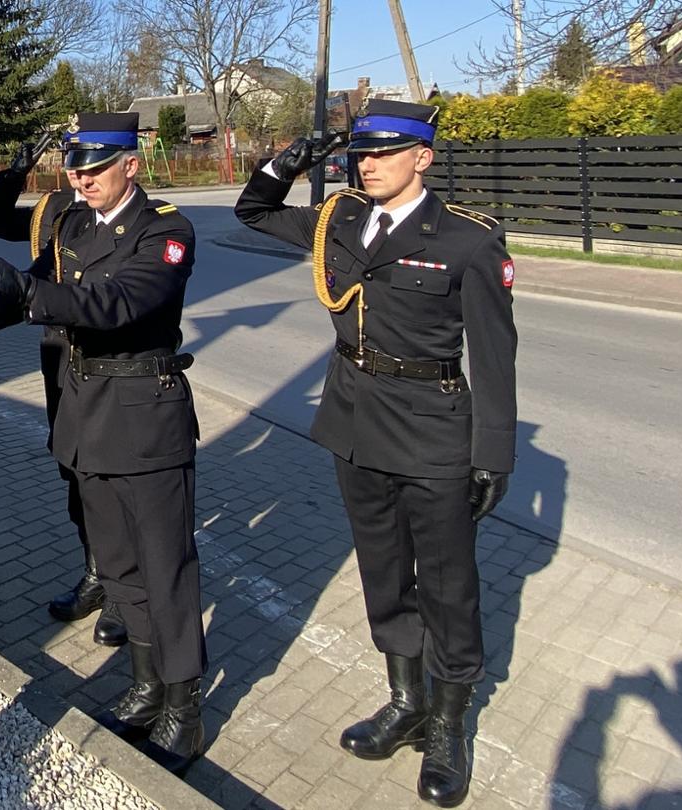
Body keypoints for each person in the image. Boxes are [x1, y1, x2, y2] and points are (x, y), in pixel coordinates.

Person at [235, 98, 517, 808]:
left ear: (423, 156)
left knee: (448, 585)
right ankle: (405, 701)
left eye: (386, 152)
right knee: (384, 572)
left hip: (433, 429)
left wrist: (494, 454)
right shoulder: (341, 220)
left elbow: (494, 355)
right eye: (361, 153)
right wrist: (291, 157)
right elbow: (252, 211)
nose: (369, 163)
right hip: (357, 425)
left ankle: (449, 725)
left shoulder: (468, 239)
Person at [0, 112, 206, 770]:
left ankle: (183, 707)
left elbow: (118, 302)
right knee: (121, 566)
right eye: (75, 167)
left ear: (132, 164)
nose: (81, 177)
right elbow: (32, 289)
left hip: (144, 415)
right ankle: (146, 686)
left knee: (166, 570)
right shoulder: (69, 223)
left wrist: (30, 291)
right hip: (85, 410)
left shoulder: (166, 231)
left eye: (96, 166)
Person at [0, 126, 127, 646]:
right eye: (70, 154)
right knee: (75, 475)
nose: (79, 167)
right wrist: (14, 173)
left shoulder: (122, 213)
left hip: (108, 365)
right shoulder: (55, 208)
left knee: (114, 483)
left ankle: (128, 594)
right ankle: (97, 575)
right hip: (59, 358)